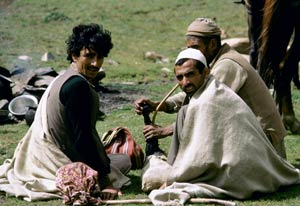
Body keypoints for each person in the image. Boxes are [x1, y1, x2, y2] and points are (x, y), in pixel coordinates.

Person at [141, 48, 300, 205]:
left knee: (154, 179)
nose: (185, 82)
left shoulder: (208, 100)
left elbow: (200, 156)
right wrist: (159, 106)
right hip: (253, 166)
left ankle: (172, 168)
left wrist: (174, 179)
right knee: (184, 112)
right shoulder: (214, 88)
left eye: (190, 75)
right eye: (180, 77)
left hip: (240, 174)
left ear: (205, 72)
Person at [0, 23, 131, 203]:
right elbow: (83, 138)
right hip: (55, 160)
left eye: (100, 57)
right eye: (89, 56)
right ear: (74, 55)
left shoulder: (63, 77)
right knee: (124, 161)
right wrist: (105, 181)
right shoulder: (78, 86)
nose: (96, 64)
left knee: (116, 160)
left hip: (40, 156)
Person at [135, 17, 287, 158]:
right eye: (189, 48)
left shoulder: (227, 65)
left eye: (196, 47)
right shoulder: (212, 62)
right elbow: (198, 92)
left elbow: (207, 108)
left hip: (265, 143)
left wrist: (166, 130)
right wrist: (159, 106)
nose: (191, 53)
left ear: (213, 44)